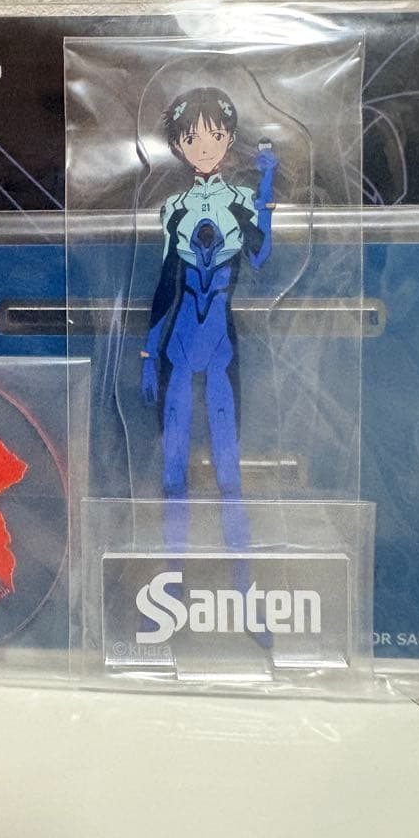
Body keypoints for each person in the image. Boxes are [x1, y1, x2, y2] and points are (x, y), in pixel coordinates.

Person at [140, 86, 277, 555]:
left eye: (214, 136)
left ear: (229, 139)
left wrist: (267, 188)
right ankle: (171, 569)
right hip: (178, 344)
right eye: (192, 138)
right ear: (179, 145)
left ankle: (240, 570)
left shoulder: (241, 199)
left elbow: (258, 255)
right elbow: (166, 281)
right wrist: (148, 354)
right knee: (172, 466)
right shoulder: (173, 209)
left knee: (228, 467)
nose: (203, 146)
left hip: (221, 343)